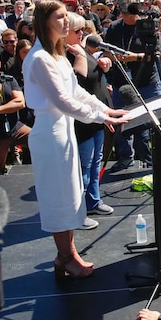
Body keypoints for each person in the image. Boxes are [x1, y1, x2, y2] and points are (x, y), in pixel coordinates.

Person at [22, 0, 129, 278]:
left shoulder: (56, 56)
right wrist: (100, 118)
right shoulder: (39, 59)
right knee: (58, 197)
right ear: (45, 22)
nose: (66, 22)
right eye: (59, 17)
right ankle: (66, 256)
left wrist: (106, 109)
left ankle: (68, 255)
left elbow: (77, 92)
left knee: (70, 195)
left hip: (64, 129)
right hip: (50, 133)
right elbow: (63, 101)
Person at [105, 0, 161, 172]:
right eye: (124, 13)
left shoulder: (147, 27)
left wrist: (134, 57)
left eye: (131, 13)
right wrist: (113, 58)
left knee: (147, 122)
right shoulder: (114, 28)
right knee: (122, 120)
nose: (128, 17)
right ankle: (124, 157)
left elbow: (157, 55)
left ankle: (148, 158)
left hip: (147, 81)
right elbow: (106, 51)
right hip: (122, 81)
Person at [67, 31, 114, 216]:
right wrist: (79, 56)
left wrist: (104, 66)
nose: (81, 35)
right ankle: (80, 209)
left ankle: (93, 200)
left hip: (97, 116)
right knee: (84, 166)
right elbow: (75, 87)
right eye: (77, 31)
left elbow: (95, 77)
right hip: (82, 120)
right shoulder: (66, 57)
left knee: (96, 161)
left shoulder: (83, 51)